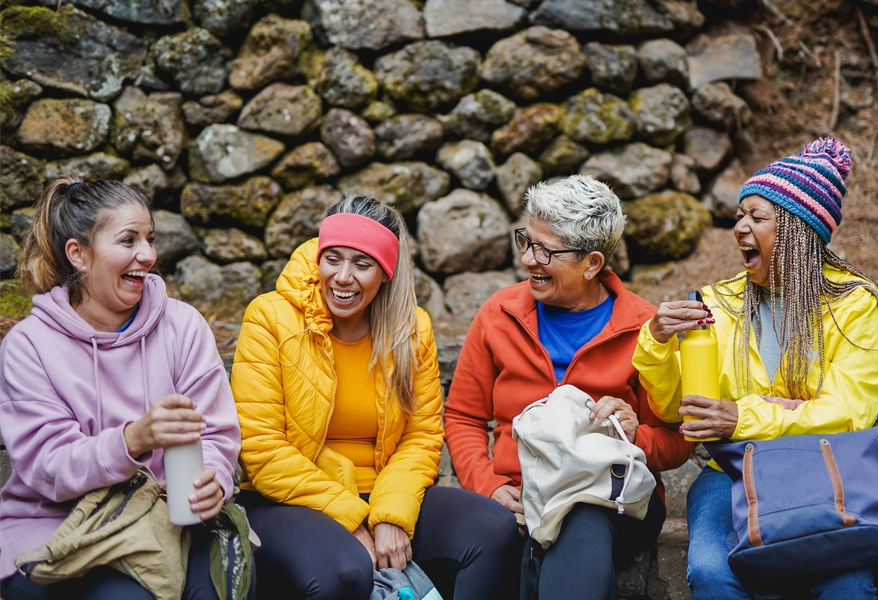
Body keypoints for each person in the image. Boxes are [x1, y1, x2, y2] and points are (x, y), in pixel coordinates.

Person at [632, 138, 878, 599]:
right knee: (713, 571)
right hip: (731, 469)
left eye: (757, 217)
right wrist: (655, 344)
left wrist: (742, 416)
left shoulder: (852, 305)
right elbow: (682, 410)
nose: (740, 228)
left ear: (795, 227)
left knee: (847, 578)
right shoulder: (719, 303)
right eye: (739, 216)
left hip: (827, 468)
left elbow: (850, 413)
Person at [231, 195, 518, 599]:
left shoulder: (412, 329)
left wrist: (391, 515)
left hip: (383, 490)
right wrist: (353, 518)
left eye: (361, 264)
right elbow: (262, 449)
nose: (343, 277)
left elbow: (421, 436)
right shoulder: (270, 318)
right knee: (345, 569)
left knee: (494, 528)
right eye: (333, 258)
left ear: (385, 272)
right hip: (288, 501)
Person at [443, 174, 694, 600]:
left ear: (592, 263)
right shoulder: (498, 314)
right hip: (519, 491)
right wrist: (487, 485)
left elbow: (678, 442)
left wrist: (635, 434)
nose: (528, 259)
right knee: (492, 539)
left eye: (546, 251)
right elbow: (463, 415)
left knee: (580, 521)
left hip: (613, 495)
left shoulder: (642, 328)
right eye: (526, 241)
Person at [0, 177, 249, 600]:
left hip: (170, 519)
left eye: (150, 238)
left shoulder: (182, 325)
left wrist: (214, 478)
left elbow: (215, 434)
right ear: (78, 254)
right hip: (60, 526)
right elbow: (50, 466)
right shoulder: (29, 347)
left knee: (222, 581)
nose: (148, 255)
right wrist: (132, 440)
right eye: (129, 239)